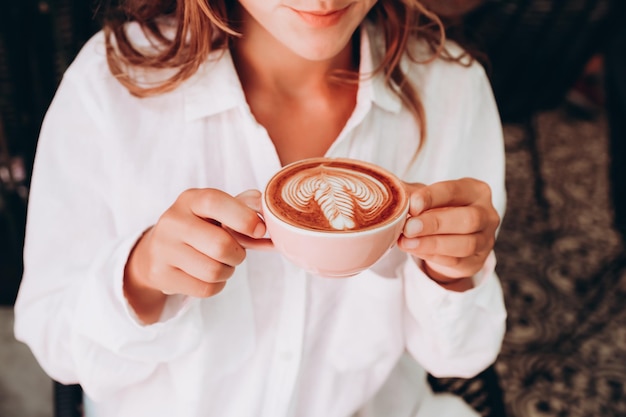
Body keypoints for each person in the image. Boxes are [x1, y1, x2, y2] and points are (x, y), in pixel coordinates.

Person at [14, 1, 507, 416]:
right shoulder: (110, 87)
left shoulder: (451, 91)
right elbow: (53, 338)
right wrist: (141, 276)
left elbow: (462, 355)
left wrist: (454, 273)